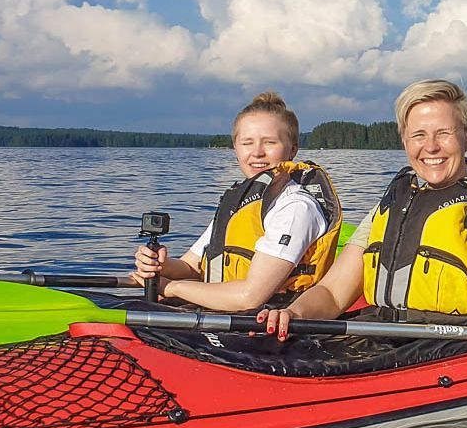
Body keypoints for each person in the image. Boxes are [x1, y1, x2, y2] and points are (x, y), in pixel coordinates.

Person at [258, 80, 467, 358]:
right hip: (386, 341)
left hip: (465, 349)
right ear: (404, 140)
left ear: (466, 138)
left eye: (444, 133)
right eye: (418, 136)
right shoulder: (390, 206)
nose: (430, 147)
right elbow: (332, 293)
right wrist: (293, 314)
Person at [130, 92, 342, 311]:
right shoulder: (238, 204)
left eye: (270, 142)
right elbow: (190, 267)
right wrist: (160, 265)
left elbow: (249, 297)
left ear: (292, 150)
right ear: (236, 148)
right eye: (247, 143)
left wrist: (172, 288)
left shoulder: (296, 207)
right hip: (222, 316)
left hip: (269, 325)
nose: (257, 153)